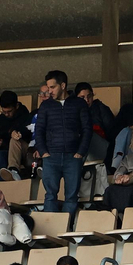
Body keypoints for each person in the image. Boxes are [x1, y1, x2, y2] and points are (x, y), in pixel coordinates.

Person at [33, 70, 93, 215]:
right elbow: (39, 130)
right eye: (48, 87)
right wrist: (44, 152)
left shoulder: (79, 104)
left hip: (73, 156)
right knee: (50, 196)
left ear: (63, 85)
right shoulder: (46, 106)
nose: (49, 91)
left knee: (71, 197)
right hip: (51, 156)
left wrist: (80, 152)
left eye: (52, 87)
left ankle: (67, 227)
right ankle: (52, 228)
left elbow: (87, 129)